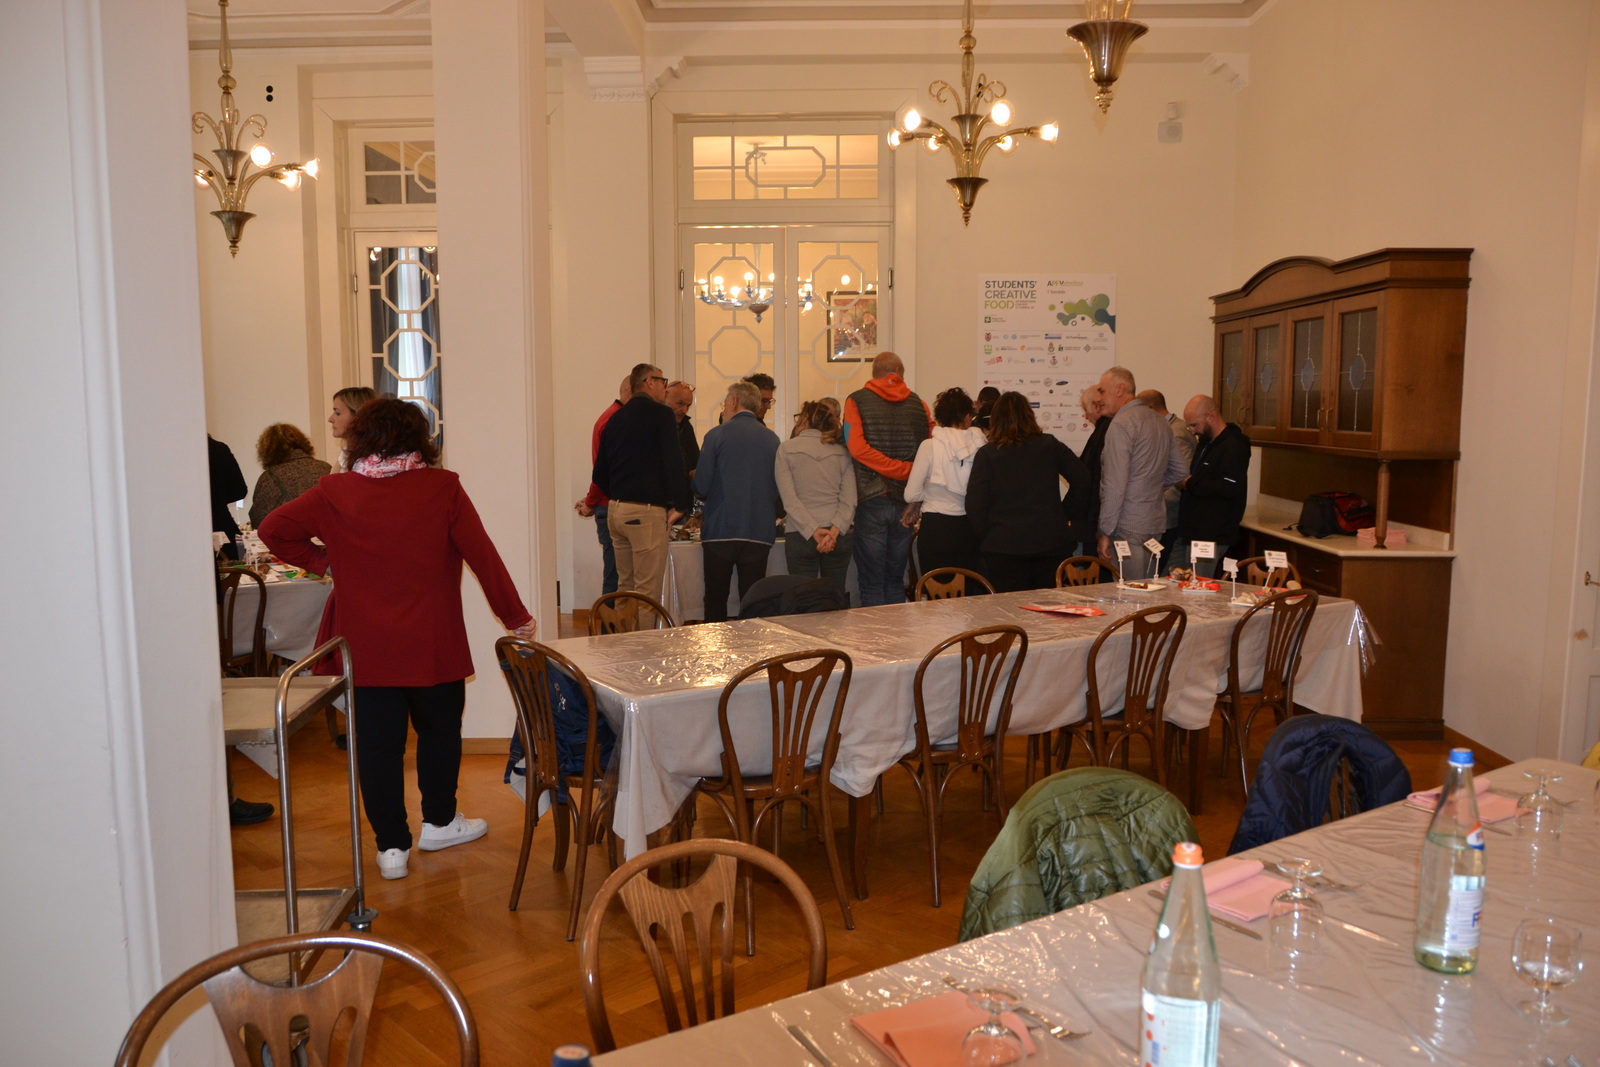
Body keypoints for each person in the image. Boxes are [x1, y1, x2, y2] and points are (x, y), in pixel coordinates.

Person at [259, 399, 537, 882]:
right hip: (433, 639)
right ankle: (440, 823)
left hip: (367, 646)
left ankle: (391, 848)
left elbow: (273, 529)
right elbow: (482, 554)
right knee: (439, 733)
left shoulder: (334, 491)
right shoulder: (442, 486)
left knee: (377, 748)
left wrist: (326, 563)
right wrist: (515, 616)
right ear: (419, 438)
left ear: (359, 438)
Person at [967, 392, 1092, 592]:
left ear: (996, 420)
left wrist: (989, 535)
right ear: (1029, 416)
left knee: (1008, 606)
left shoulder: (988, 454)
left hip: (1004, 545)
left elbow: (975, 504)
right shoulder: (1050, 445)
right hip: (1051, 541)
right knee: (1049, 606)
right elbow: (1083, 479)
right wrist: (1063, 514)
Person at [592, 364, 690, 600]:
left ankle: (623, 627)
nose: (665, 388)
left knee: (625, 587)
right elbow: (673, 462)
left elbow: (599, 473)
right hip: (646, 513)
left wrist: (620, 495)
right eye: (662, 381)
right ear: (649, 382)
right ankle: (642, 628)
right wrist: (681, 504)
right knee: (647, 592)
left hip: (616, 511)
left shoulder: (615, 418)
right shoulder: (661, 414)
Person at [843, 351, 933, 605]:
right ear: (900, 373)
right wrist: (907, 471)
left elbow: (856, 448)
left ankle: (875, 633)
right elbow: (930, 448)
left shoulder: (855, 401)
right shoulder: (920, 404)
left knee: (871, 583)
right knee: (895, 581)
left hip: (872, 497)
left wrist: (893, 468)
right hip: (907, 500)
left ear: (874, 374)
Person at [694, 382, 782, 622]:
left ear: (734, 401)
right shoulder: (772, 440)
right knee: (752, 600)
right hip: (758, 532)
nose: (724, 408)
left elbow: (701, 486)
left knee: (716, 598)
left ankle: (716, 643)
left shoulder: (716, 435)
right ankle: (751, 643)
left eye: (725, 403)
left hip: (720, 530)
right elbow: (778, 487)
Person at [1095, 367, 1187, 579]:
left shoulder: (1121, 424)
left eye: (1102, 391)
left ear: (1120, 390)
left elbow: (1115, 486)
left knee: (1130, 592)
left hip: (1126, 525)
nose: (1100, 398)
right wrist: (1149, 486)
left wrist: (1105, 532)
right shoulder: (1160, 421)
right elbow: (1180, 470)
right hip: (1154, 524)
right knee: (1149, 589)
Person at [903, 386, 988, 576]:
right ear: (967, 416)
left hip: (936, 527)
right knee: (966, 589)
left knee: (936, 589)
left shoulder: (929, 446)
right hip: (969, 528)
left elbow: (911, 494)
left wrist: (922, 498)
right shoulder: (980, 444)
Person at [774, 399, 856, 590]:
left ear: (805, 419)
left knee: (803, 597)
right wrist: (833, 533)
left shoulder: (786, 449)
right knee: (834, 595)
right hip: (838, 534)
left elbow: (790, 501)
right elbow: (849, 500)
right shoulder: (842, 452)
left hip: (800, 533)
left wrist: (813, 531)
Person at [1170, 394, 1251, 577]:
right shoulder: (1205, 443)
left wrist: (1189, 483)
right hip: (1189, 530)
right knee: (1171, 580)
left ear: (1210, 416)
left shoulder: (1235, 444)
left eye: (1194, 425)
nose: (1192, 431)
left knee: (1198, 585)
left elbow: (1229, 487)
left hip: (1211, 534)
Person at [574, 375, 632, 596]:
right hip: (610, 506)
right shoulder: (615, 421)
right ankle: (608, 618)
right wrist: (591, 501)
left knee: (618, 575)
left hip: (607, 504)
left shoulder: (611, 418)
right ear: (629, 391)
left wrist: (591, 500)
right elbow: (605, 472)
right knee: (616, 577)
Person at [1136, 388, 1197, 557]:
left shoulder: (1175, 433)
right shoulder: (1165, 428)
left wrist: (1153, 503)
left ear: (1149, 408)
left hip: (1169, 517)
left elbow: (1183, 476)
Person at [247, 423, 331, 527]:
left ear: (268, 451)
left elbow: (259, 518)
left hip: (292, 534)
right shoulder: (326, 468)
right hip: (327, 533)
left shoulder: (269, 477)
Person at [1072, 385, 1111, 558]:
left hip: (1095, 519)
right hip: (1094, 518)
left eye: (1085, 409)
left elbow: (1095, 478)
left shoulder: (1105, 431)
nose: (1085, 416)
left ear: (1096, 406)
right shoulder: (1102, 431)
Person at [208, 434, 247, 558]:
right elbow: (240, 490)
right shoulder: (219, 449)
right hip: (222, 524)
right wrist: (219, 499)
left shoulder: (175, 451)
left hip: (185, 531)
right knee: (236, 565)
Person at [327, 386, 378, 472]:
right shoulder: (345, 454)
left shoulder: (374, 462)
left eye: (337, 413)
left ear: (357, 416)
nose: (330, 419)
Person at [666, 380, 701, 477]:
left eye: (688, 406)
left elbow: (695, 460)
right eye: (680, 404)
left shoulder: (686, 426)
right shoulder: (654, 425)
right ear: (665, 398)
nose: (684, 410)